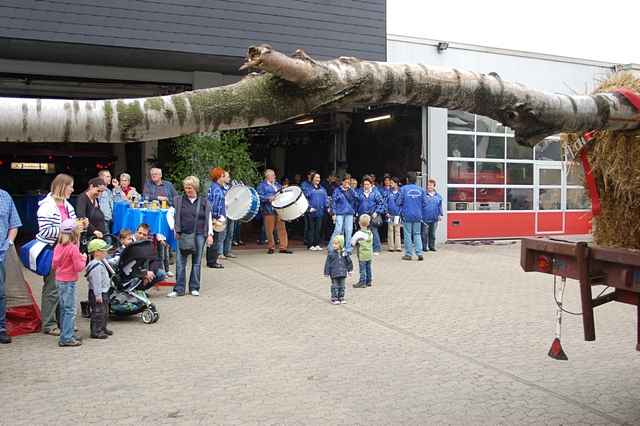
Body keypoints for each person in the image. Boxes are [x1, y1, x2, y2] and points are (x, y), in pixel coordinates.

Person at [36, 173, 82, 336]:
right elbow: (45, 231)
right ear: (62, 186)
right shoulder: (46, 206)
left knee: (64, 289)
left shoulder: (67, 205)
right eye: (70, 185)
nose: (72, 189)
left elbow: (74, 224)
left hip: (67, 250)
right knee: (52, 288)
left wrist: (79, 226)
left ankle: (65, 322)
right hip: (52, 250)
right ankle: (48, 324)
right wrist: (67, 229)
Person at [170, 176, 214, 297]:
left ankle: (194, 287)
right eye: (185, 188)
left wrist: (210, 234)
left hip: (200, 235)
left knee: (197, 262)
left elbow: (208, 218)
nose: (187, 190)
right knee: (180, 263)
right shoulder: (178, 200)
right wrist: (174, 228)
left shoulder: (204, 201)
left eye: (189, 188)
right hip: (182, 234)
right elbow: (169, 214)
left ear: (195, 187)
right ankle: (179, 289)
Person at [51, 219, 86, 347]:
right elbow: (79, 267)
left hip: (59, 280)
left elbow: (54, 264)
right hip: (69, 281)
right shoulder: (73, 248)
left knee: (64, 309)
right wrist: (84, 259)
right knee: (70, 310)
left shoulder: (58, 247)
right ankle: (66, 337)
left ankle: (67, 333)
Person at [0, 188, 22, 344]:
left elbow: (14, 224)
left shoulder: (5, 196)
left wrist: (9, 242)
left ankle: (1, 329)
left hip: (0, 254)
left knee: (0, 294)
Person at [257, 169, 291, 254]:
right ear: (267, 176)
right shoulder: (262, 186)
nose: (274, 177)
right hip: (268, 210)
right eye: (272, 175)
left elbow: (281, 193)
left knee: (282, 228)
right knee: (269, 230)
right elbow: (259, 196)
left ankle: (283, 247)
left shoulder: (277, 185)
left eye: (274, 175)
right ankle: (271, 247)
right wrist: (268, 198)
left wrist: (283, 189)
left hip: (279, 209)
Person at [86, 239, 113, 339]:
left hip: (103, 291)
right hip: (98, 293)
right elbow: (96, 282)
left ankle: (102, 327)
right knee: (98, 312)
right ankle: (96, 331)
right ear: (97, 252)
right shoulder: (96, 266)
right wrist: (98, 295)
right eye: (104, 250)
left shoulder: (100, 262)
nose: (106, 252)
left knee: (104, 311)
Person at [399, 172, 428, 261]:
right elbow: (425, 203)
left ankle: (408, 254)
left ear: (407, 179)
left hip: (407, 214)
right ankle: (419, 253)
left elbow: (399, 202)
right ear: (416, 180)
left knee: (408, 234)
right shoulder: (421, 190)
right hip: (418, 215)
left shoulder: (403, 189)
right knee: (417, 234)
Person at [355, 176, 385, 255]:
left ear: (371, 184)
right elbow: (356, 203)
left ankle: (376, 249)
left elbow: (381, 204)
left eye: (368, 184)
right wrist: (356, 212)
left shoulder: (376, 193)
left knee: (374, 231)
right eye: (365, 184)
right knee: (363, 232)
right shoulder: (359, 193)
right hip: (362, 215)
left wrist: (376, 212)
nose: (366, 186)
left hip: (372, 215)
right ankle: (364, 248)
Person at [329, 174, 357, 256]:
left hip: (349, 212)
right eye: (346, 182)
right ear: (342, 182)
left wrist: (351, 190)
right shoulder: (337, 190)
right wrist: (333, 213)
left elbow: (356, 198)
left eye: (349, 182)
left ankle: (348, 249)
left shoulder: (351, 190)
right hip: (339, 212)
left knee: (349, 230)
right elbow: (333, 201)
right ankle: (332, 247)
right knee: (338, 229)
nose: (347, 184)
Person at [206, 167, 227, 268]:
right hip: (216, 218)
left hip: (212, 217)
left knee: (213, 239)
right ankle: (212, 261)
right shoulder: (218, 189)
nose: (224, 178)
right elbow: (215, 205)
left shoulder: (213, 186)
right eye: (223, 176)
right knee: (215, 240)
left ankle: (211, 260)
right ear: (219, 177)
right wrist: (217, 217)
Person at [323, 235, 352, 305]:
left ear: (341, 244)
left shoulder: (344, 253)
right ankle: (334, 298)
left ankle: (341, 297)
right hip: (334, 273)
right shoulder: (331, 253)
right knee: (335, 286)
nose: (334, 245)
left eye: (336, 244)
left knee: (342, 286)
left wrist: (350, 270)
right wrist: (326, 272)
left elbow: (349, 261)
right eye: (333, 243)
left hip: (343, 273)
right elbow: (327, 263)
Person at [306, 172, 329, 251]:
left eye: (319, 178)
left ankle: (316, 244)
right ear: (312, 179)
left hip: (320, 211)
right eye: (316, 177)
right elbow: (305, 199)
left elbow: (326, 199)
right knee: (311, 229)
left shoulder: (322, 189)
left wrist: (327, 207)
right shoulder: (308, 188)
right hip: (311, 211)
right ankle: (310, 244)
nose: (317, 179)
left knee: (318, 228)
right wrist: (309, 208)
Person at [351, 214, 374, 288]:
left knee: (362, 269)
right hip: (369, 253)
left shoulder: (358, 233)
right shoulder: (370, 233)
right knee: (368, 267)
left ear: (359, 223)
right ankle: (369, 281)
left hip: (362, 254)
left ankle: (362, 281)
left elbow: (352, 242)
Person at [422, 178, 444, 252]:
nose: (429, 187)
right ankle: (424, 247)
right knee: (424, 234)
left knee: (432, 234)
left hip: (435, 218)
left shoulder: (438, 196)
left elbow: (440, 206)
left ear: (434, 186)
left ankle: (432, 246)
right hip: (425, 218)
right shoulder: (423, 195)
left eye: (431, 185)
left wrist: (440, 215)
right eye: (428, 185)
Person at [219, 171, 237, 260]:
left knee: (230, 233)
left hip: (231, 212)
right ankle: (220, 252)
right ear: (222, 177)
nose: (229, 178)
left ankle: (227, 251)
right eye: (227, 176)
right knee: (222, 233)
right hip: (223, 213)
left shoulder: (230, 187)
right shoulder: (219, 188)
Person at [386, 177, 403, 252]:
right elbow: (385, 203)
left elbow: (402, 204)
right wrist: (386, 212)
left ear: (396, 183)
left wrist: (400, 213)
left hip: (397, 214)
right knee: (390, 230)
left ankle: (398, 246)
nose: (390, 184)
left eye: (392, 183)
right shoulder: (388, 193)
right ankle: (391, 247)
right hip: (390, 214)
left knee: (397, 230)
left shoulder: (400, 193)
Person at [301, 170, 315, 249]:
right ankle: (306, 240)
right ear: (308, 176)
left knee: (313, 225)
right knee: (307, 225)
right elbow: (305, 194)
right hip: (306, 205)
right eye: (311, 175)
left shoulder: (315, 184)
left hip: (314, 206)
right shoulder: (304, 184)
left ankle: (312, 240)